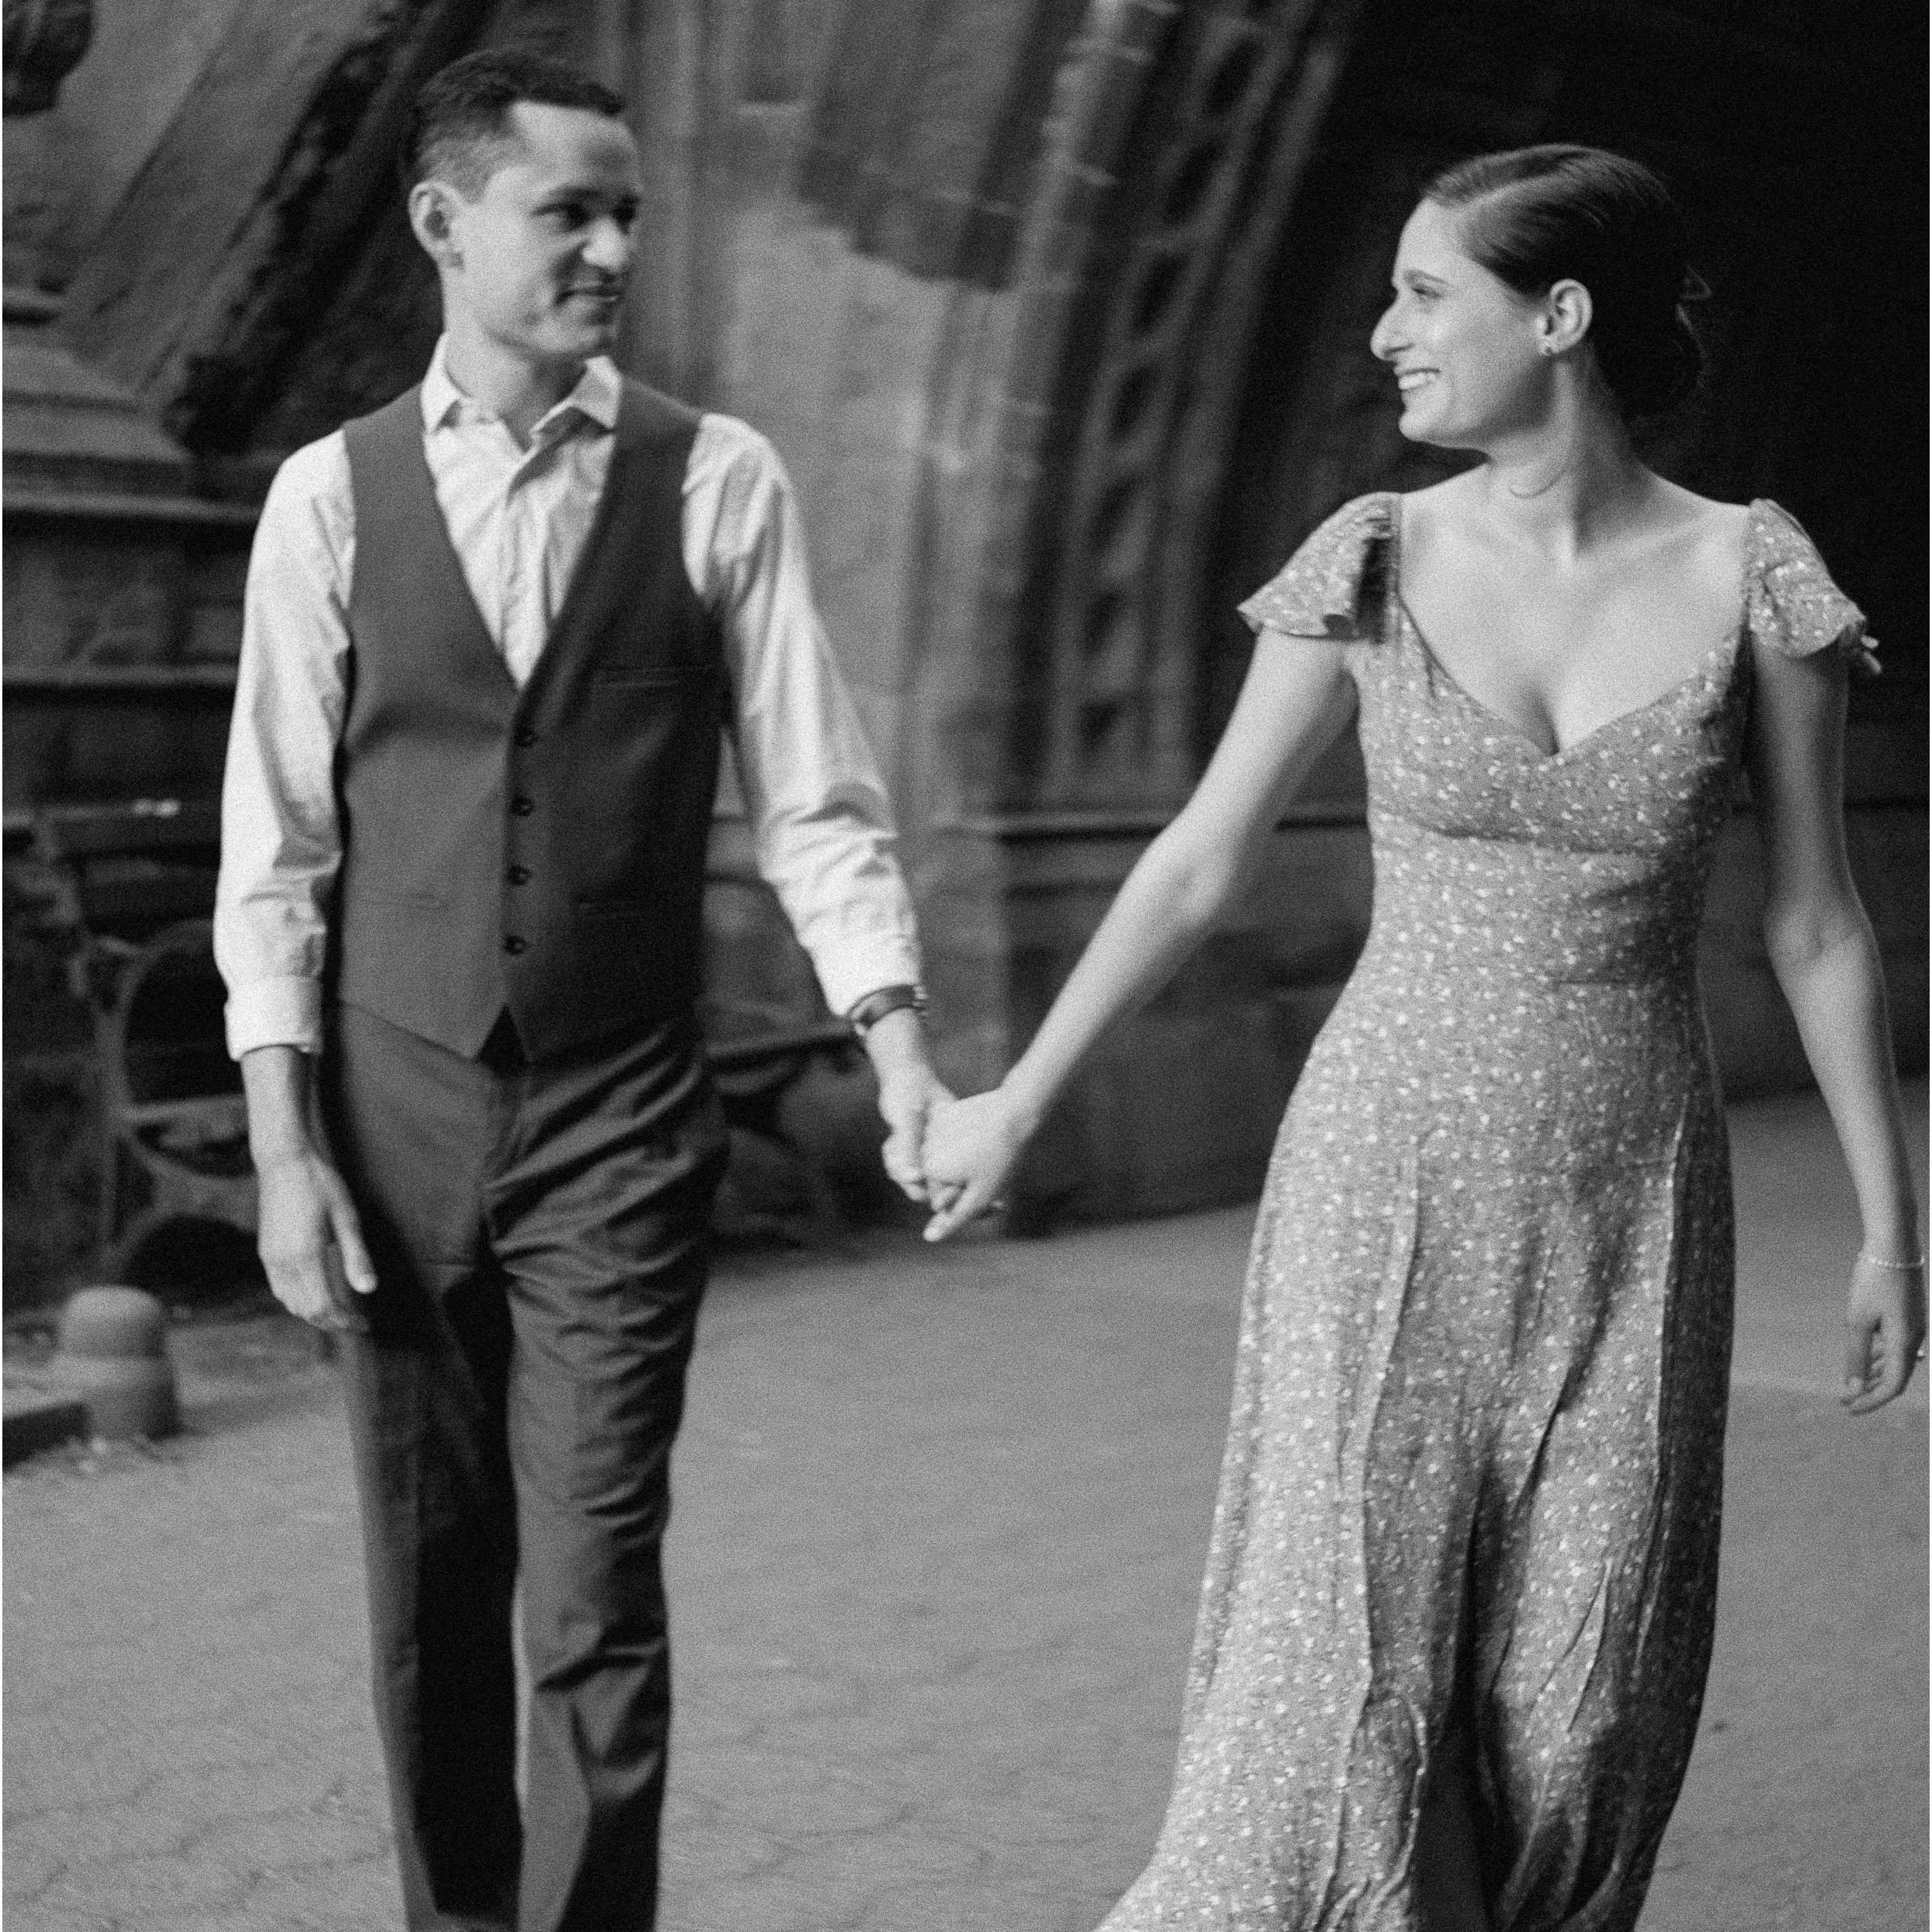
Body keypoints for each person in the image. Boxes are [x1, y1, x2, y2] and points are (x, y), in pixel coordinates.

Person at [920, 144, 1924, 1930]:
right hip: (1377, 1178)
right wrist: (1017, 1097)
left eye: (1422, 291)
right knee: (1341, 1668)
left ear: (1558, 316)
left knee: (1582, 1691)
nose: (1384, 331)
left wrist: (1886, 1229)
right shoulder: (1371, 556)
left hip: (1630, 1192)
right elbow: (1199, 859)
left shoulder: (1750, 571)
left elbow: (1814, 919)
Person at [213, 48, 947, 1932]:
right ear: (445, 224)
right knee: (428, 1579)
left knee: (597, 1590)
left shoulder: (717, 478)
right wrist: (286, 1150)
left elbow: (816, 798)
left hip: (618, 1109)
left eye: (629, 212)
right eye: (571, 211)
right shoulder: (329, 496)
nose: (615, 247)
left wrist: (898, 1048)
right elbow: (276, 845)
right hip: (390, 1104)